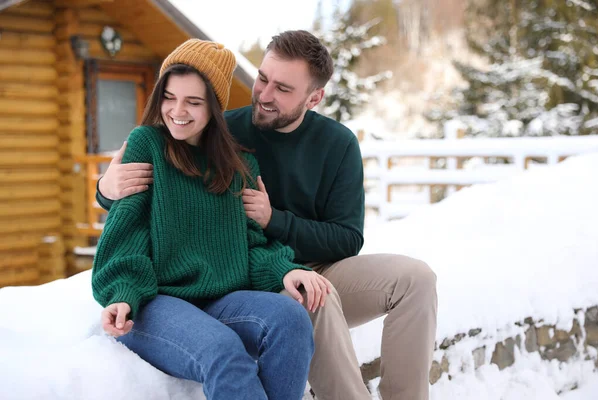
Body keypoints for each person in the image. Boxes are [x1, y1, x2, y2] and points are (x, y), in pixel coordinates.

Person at [97, 31, 438, 400]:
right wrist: (105, 188)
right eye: (262, 79)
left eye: (283, 89)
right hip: (245, 274)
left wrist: (273, 221)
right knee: (311, 303)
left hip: (287, 263)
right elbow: (138, 207)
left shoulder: (331, 144)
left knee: (415, 279)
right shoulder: (216, 128)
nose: (264, 95)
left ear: (314, 97)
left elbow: (347, 239)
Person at [91, 39, 333, 400]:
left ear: (213, 107)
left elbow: (251, 244)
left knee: (291, 320)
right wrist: (124, 295)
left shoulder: (239, 165)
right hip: (155, 304)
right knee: (222, 351)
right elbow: (127, 233)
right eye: (169, 97)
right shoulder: (147, 145)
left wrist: (285, 269)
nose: (177, 110)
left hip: (222, 301)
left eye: (193, 101)